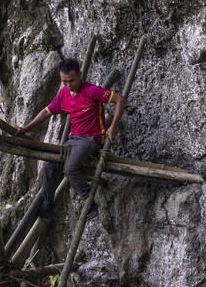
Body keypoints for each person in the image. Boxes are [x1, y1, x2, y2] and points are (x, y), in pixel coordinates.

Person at [16, 58, 126, 220]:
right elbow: (47, 112)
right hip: (72, 141)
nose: (68, 85)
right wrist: (26, 128)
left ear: (80, 75)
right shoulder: (63, 94)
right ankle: (48, 203)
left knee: (70, 168)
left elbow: (120, 99)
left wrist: (113, 126)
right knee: (49, 166)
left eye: (72, 80)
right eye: (64, 81)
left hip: (91, 140)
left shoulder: (91, 91)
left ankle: (89, 201)